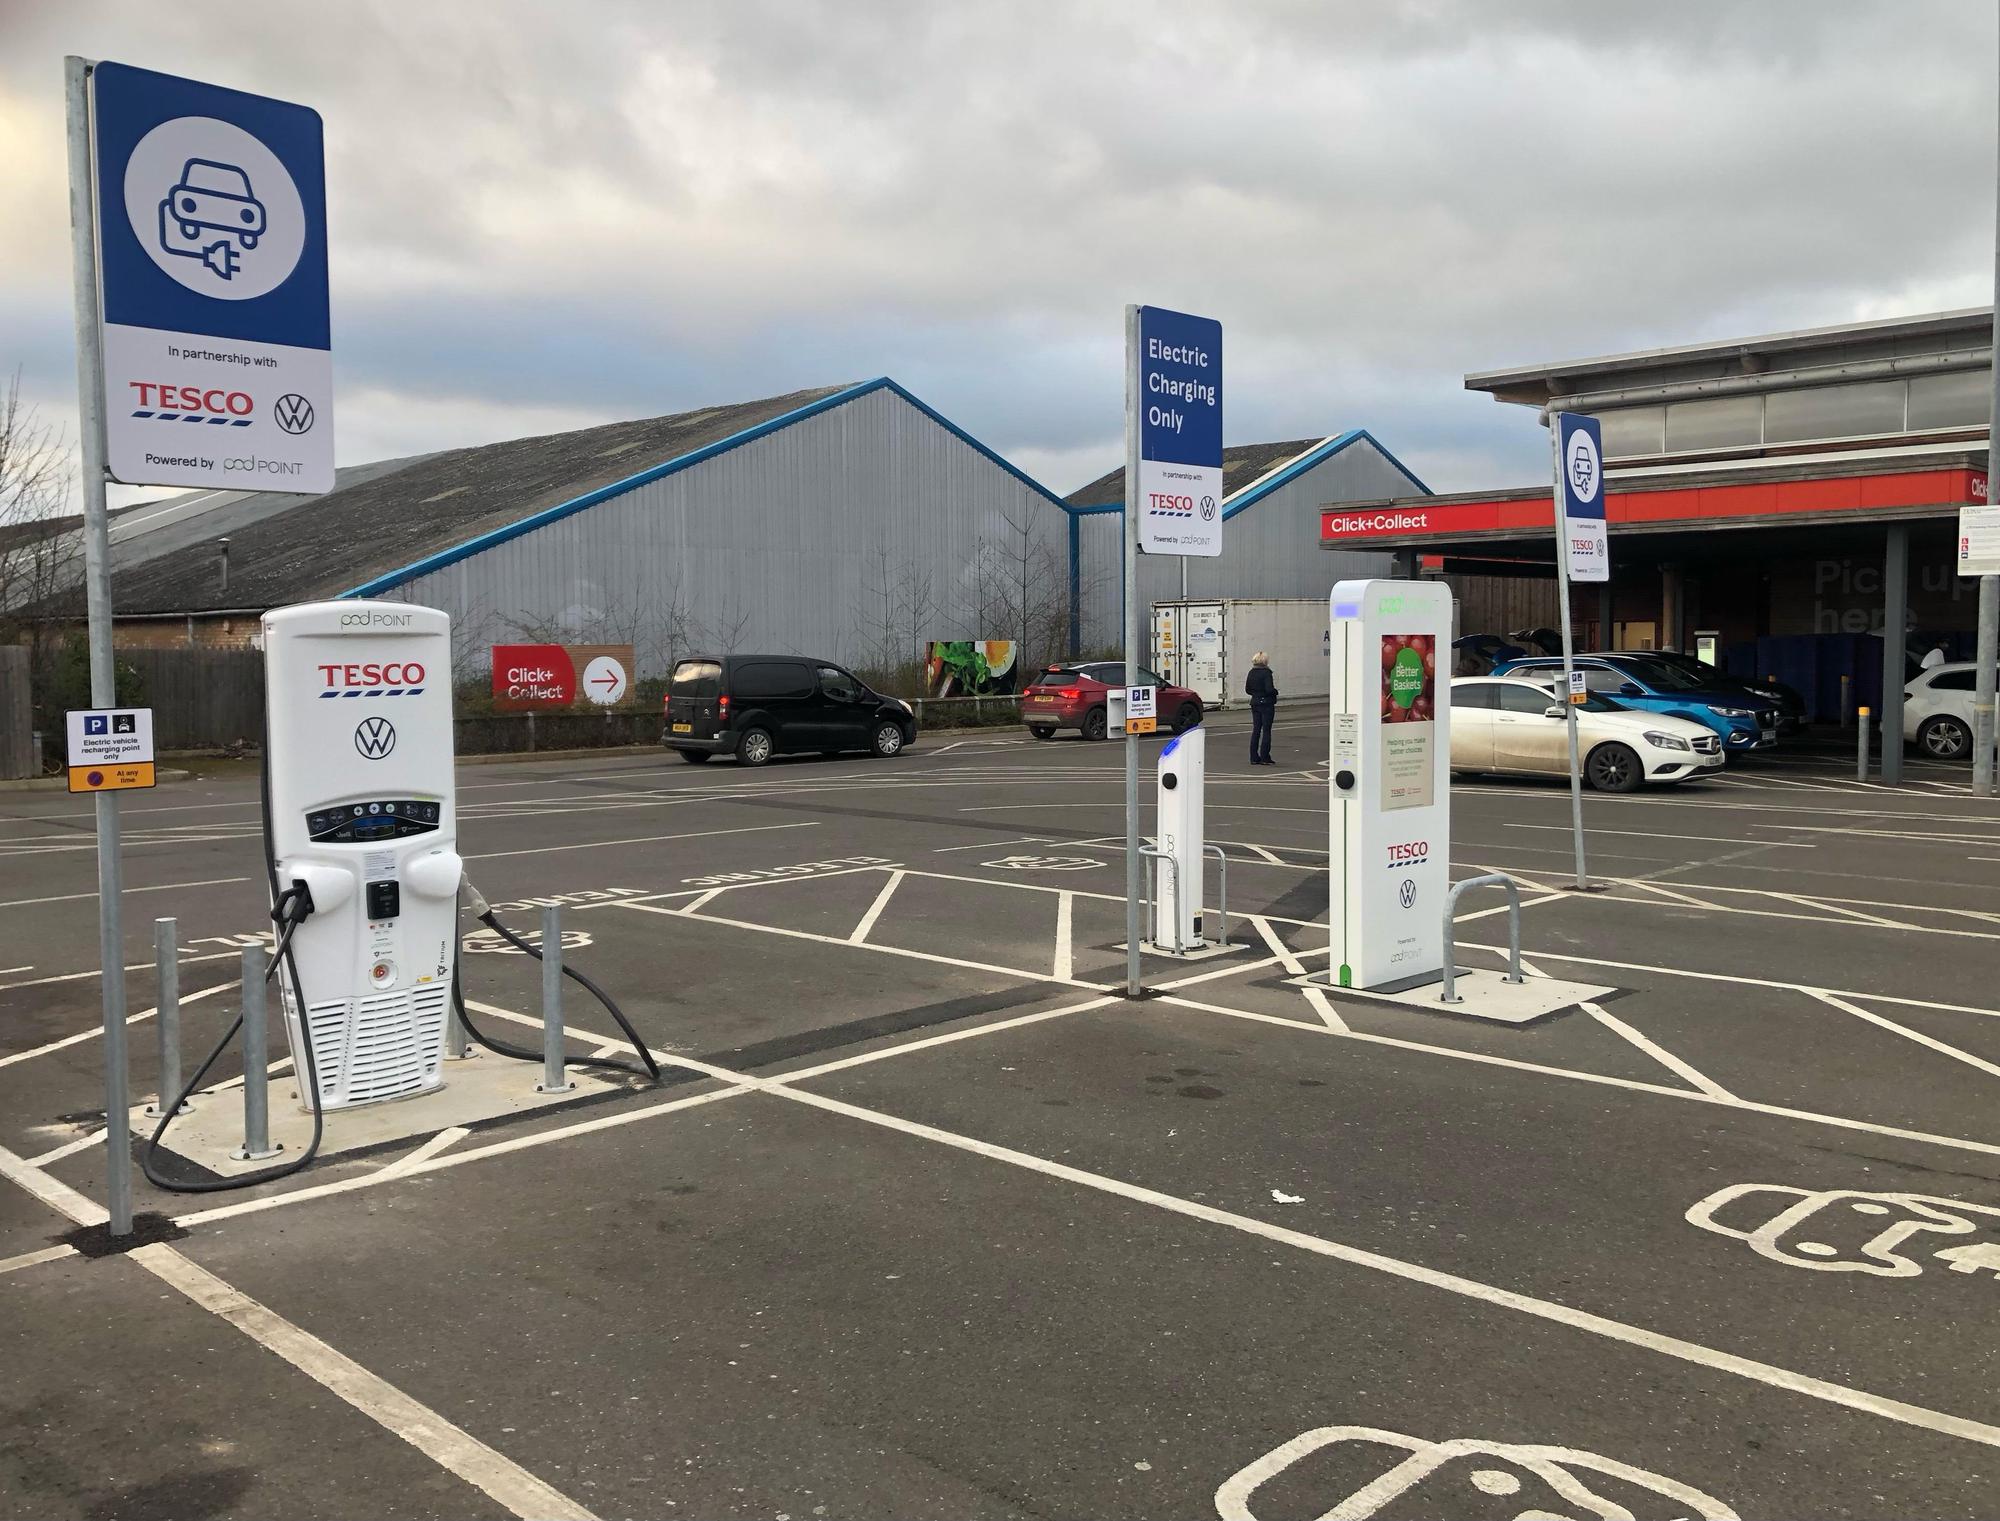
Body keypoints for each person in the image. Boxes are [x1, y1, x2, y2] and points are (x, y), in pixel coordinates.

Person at [1245, 651, 1277, 765]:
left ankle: (1254, 757)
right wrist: (1275, 692)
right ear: (1265, 661)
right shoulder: (1266, 673)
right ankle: (1265, 756)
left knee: (1256, 730)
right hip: (1266, 703)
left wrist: (1256, 693)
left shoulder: (1251, 672)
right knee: (1266, 730)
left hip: (1255, 702)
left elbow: (1247, 689)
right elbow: (1269, 689)